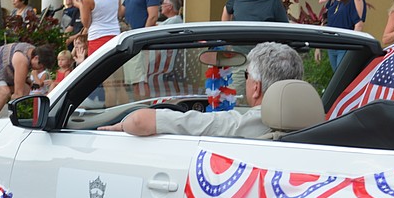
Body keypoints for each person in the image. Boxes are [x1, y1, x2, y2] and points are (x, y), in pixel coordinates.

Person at [100, 42, 303, 138]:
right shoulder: (316, 125)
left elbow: (140, 121)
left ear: (256, 88)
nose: (246, 80)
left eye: (246, 75)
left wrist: (121, 126)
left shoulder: (238, 125)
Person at [0, 42, 56, 120]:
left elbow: (20, 75)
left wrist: (30, 83)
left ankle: (11, 118)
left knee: (26, 89)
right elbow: (17, 94)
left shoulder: (33, 52)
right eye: (42, 66)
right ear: (36, 58)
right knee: (5, 93)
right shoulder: (22, 59)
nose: (41, 69)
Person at [120, 0, 160, 94]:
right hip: (130, 41)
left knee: (141, 81)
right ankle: (139, 106)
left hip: (141, 41)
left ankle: (144, 106)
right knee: (134, 82)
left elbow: (153, 16)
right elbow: (120, 12)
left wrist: (143, 37)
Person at [321, 0, 367, 71]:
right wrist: (318, 47)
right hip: (331, 44)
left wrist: (352, 46)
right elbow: (325, 20)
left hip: (345, 44)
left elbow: (359, 24)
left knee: (342, 73)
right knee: (336, 74)